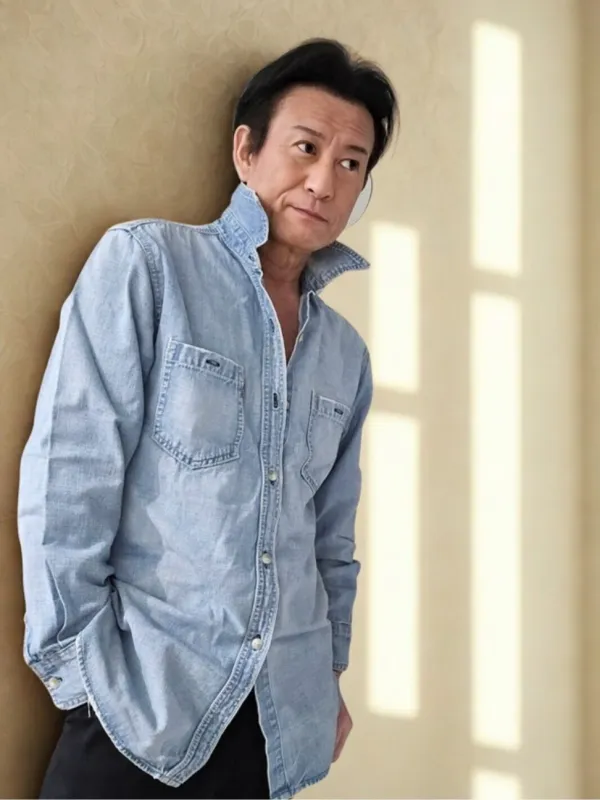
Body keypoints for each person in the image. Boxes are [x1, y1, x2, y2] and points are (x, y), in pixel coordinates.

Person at [17, 37, 398, 799]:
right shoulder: (148, 265)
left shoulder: (345, 355)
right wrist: (77, 673)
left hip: (277, 727)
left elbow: (331, 538)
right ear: (246, 151)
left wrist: (327, 673)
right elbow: (71, 472)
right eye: (306, 147)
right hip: (140, 707)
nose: (324, 180)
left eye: (351, 162)